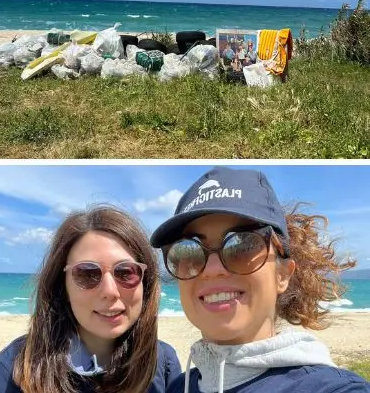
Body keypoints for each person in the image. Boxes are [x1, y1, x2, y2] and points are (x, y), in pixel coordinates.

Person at [151, 167, 370, 393]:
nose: (212, 269)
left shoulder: (334, 389)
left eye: (243, 244)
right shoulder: (179, 386)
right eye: (189, 250)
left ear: (283, 274)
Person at [0, 206, 180, 393]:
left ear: (146, 283)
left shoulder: (163, 363)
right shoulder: (15, 369)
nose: (110, 291)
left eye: (126, 272)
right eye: (88, 273)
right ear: (62, 286)